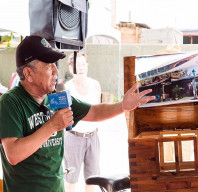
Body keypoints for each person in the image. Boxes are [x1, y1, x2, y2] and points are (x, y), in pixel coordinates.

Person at [0, 35, 155, 192]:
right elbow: (13, 154)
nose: (55, 70)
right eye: (48, 66)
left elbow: (93, 111)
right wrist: (52, 126)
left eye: (55, 64)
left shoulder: (55, 96)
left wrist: (122, 106)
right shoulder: (10, 102)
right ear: (28, 73)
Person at [63, 52, 102, 192]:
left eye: (83, 64)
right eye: (77, 65)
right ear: (70, 68)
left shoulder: (95, 85)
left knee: (93, 179)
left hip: (93, 137)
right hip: (73, 137)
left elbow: (99, 110)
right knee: (70, 179)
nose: (81, 68)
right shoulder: (66, 88)